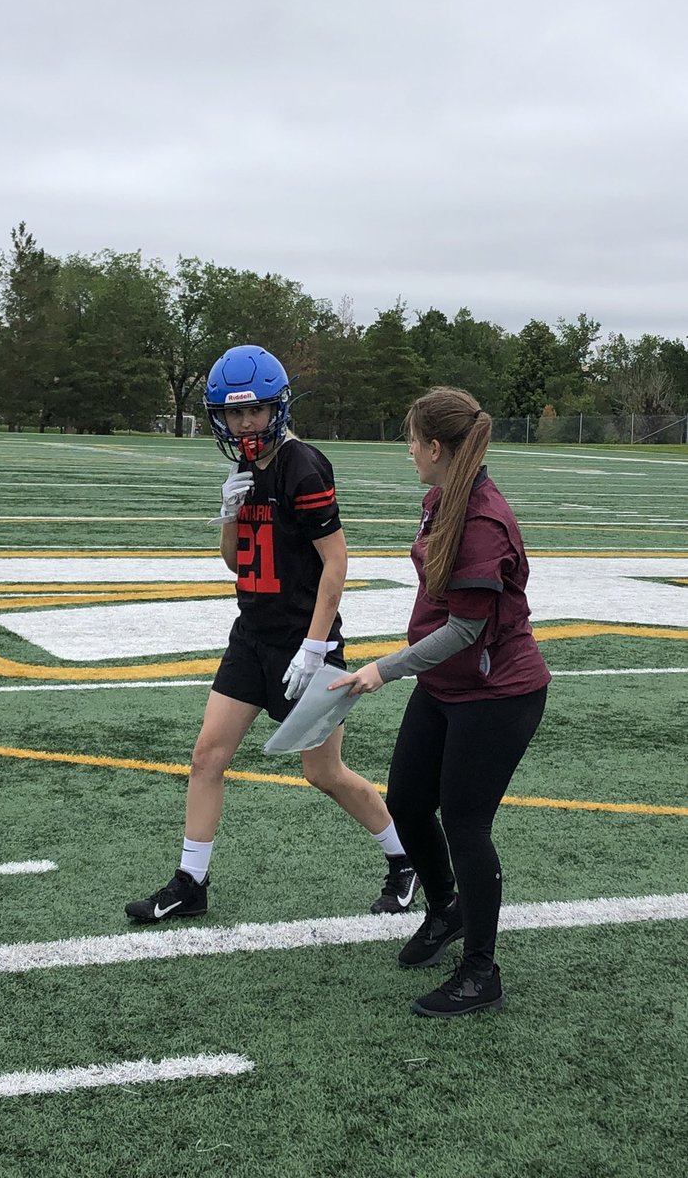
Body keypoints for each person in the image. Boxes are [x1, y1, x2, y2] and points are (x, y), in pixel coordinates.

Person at [125, 344, 419, 925]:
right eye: (233, 414)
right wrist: (228, 516)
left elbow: (336, 563)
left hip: (304, 640)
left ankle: (405, 861)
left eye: (254, 411)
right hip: (252, 635)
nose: (244, 424)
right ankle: (192, 881)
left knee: (323, 773)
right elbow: (235, 564)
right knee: (207, 755)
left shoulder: (302, 465)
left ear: (276, 408)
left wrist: (315, 645)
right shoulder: (242, 470)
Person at [329, 386, 550, 1018]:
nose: (407, 452)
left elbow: (466, 629)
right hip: (448, 684)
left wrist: (384, 669)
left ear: (434, 446)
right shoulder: (443, 498)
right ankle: (445, 907)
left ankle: (482, 969)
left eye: (411, 440)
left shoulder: (481, 517)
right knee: (406, 801)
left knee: (465, 822)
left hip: (497, 692)